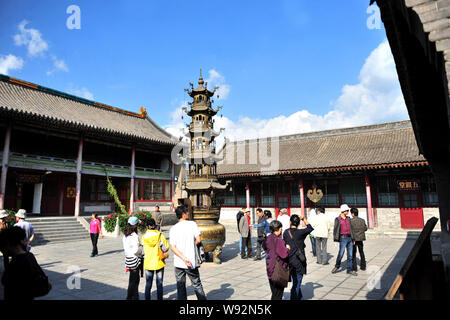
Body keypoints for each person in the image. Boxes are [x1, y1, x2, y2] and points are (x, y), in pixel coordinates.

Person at [0, 226, 51, 300]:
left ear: (9, 244)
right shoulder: (30, 256)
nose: (1, 250)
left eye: (2, 246)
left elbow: (5, 281)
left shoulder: (16, 263)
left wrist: (6, 259)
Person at [169, 205, 206, 300]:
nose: (188, 213)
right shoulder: (192, 224)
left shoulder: (173, 228)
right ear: (183, 214)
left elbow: (173, 247)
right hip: (191, 261)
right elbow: (199, 239)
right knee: (197, 284)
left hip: (179, 262)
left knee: (180, 287)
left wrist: (183, 258)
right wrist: (191, 244)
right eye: (187, 212)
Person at [283, 214, 313, 300]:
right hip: (299, 261)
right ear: (299, 223)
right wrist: (304, 219)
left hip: (290, 260)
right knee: (296, 284)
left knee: (296, 281)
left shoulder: (286, 232)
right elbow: (310, 228)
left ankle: (300, 297)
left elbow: (285, 244)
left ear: (290, 222)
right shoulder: (301, 233)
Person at [262, 220, 290, 300]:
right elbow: (284, 255)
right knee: (278, 295)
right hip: (277, 270)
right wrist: (287, 248)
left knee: (274, 293)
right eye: (281, 228)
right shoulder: (279, 240)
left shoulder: (269, 237)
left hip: (270, 267)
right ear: (278, 229)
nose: (281, 230)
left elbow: (264, 247)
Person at [142, 218, 169, 300]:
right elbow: (166, 248)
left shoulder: (144, 237)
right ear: (155, 226)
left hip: (148, 263)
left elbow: (142, 250)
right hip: (159, 262)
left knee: (148, 283)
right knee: (159, 284)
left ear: (147, 227)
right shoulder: (160, 235)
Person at [332, 204, 357, 276]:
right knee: (341, 253)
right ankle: (337, 266)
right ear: (343, 211)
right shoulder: (338, 219)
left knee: (350, 255)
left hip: (350, 238)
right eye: (347, 210)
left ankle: (349, 269)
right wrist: (335, 240)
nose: (348, 211)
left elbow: (352, 229)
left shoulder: (349, 218)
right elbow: (335, 230)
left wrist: (353, 239)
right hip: (343, 238)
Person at [123, 216, 143, 300]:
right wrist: (141, 247)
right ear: (135, 226)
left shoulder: (125, 235)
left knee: (132, 279)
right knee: (134, 280)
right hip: (135, 260)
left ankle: (133, 296)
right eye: (137, 224)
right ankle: (132, 297)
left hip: (128, 259)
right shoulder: (134, 236)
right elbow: (136, 250)